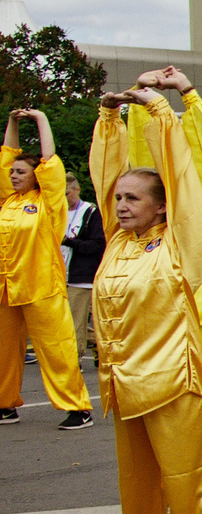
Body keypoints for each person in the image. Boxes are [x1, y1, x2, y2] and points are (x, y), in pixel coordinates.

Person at [84, 73, 202, 514]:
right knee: (138, 489)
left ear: (161, 206)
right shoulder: (118, 242)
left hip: (175, 379)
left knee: (194, 483)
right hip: (126, 383)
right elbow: (106, 176)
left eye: (133, 198)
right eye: (120, 198)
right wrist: (108, 121)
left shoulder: (181, 242)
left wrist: (162, 116)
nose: (122, 204)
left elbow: (184, 183)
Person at [1, 107, 96, 427]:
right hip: (6, 288)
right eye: (11, 172)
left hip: (41, 285)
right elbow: (6, 156)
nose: (13, 175)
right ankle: (5, 404)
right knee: (3, 351)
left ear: (36, 177)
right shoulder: (7, 201)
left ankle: (77, 408)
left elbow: (51, 164)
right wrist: (13, 122)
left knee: (57, 348)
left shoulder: (48, 202)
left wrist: (41, 119)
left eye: (20, 172)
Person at [62, 170, 104, 362]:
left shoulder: (90, 212)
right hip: (59, 272)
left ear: (77, 190)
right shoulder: (56, 211)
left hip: (81, 275)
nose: (63, 198)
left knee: (75, 320)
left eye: (66, 193)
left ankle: (74, 358)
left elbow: (97, 244)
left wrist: (70, 242)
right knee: (67, 319)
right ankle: (99, 346)